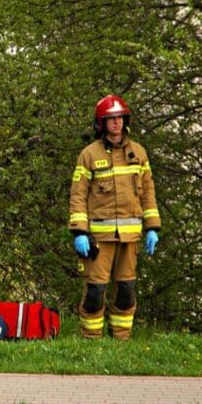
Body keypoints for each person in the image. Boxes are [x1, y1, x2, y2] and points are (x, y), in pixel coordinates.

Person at [68, 94, 160, 340]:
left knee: (126, 291)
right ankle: (91, 341)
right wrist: (79, 231)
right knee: (95, 292)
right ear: (101, 123)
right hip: (98, 237)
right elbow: (78, 195)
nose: (117, 123)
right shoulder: (89, 155)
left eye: (120, 118)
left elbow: (148, 192)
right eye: (111, 119)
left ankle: (121, 338)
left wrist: (153, 227)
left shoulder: (139, 153)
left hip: (130, 238)